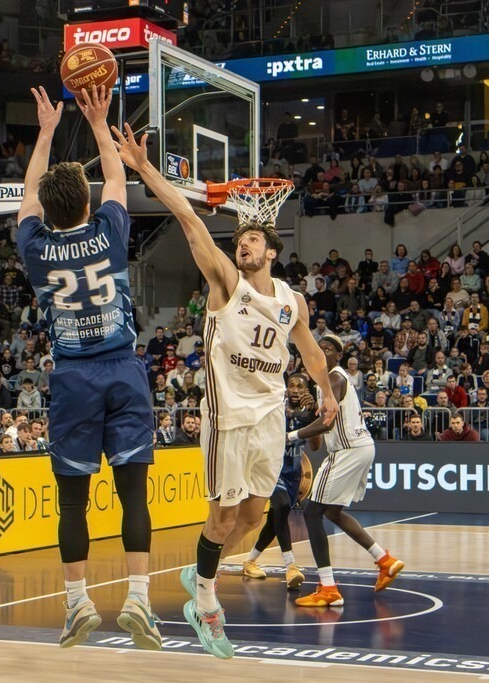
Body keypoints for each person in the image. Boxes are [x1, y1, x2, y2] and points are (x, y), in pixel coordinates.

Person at [114, 122, 338, 659]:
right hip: (226, 417)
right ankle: (206, 603)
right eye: (239, 241)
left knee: (257, 516)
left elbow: (308, 351)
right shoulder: (224, 281)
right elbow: (190, 219)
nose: (243, 245)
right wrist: (145, 169)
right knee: (221, 517)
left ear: (272, 249)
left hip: (270, 416)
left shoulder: (291, 301)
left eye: (252, 239)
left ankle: (200, 568)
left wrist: (326, 392)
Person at [16, 87, 159, 650]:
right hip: (123, 369)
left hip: (71, 375)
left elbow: (29, 190)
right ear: (86, 202)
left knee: (73, 501)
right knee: (134, 497)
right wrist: (98, 122)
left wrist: (47, 130)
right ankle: (140, 601)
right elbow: (117, 177)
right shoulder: (109, 232)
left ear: (49, 211)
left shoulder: (34, 246)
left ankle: (78, 605)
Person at [285, 335, 403, 608]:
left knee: (313, 512)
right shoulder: (322, 386)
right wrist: (308, 411)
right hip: (356, 448)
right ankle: (384, 560)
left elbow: (325, 425)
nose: (322, 352)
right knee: (331, 511)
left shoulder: (335, 378)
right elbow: (316, 444)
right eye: (319, 348)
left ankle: (328, 587)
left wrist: (289, 436)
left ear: (338, 357)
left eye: (328, 349)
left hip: (349, 450)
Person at [243, 374, 317, 590]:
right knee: (283, 507)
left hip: (293, 475)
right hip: (270, 469)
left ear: (307, 390)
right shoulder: (277, 408)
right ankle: (291, 566)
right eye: (291, 385)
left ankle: (250, 561)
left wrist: (312, 418)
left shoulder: (308, 413)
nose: (295, 389)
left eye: (300, 386)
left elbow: (315, 445)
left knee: (275, 521)